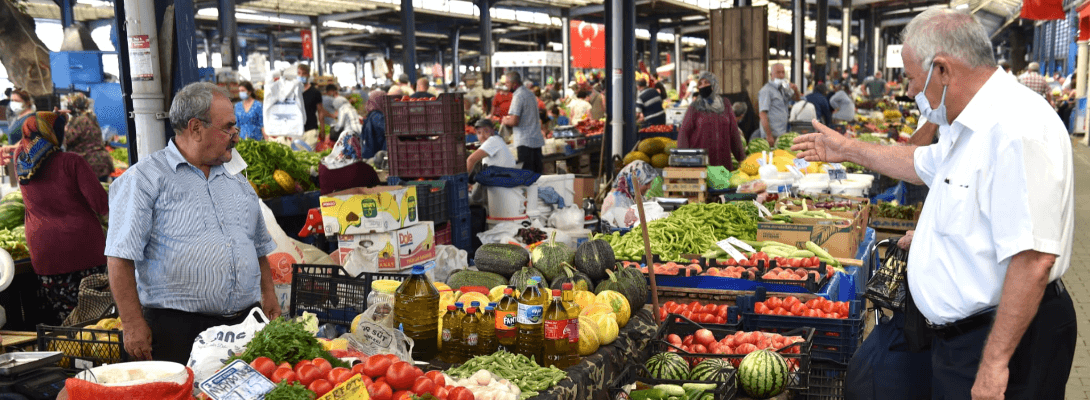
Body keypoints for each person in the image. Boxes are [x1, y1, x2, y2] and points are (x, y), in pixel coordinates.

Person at [792, 9, 1075, 399]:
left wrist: (993, 366)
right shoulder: (971, 124)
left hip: (1004, 341)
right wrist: (849, 149)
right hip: (963, 340)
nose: (908, 92)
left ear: (942, 70)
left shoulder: (1016, 129)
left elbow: (1033, 259)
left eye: (910, 78)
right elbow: (920, 163)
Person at [105, 82, 281, 363]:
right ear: (196, 128)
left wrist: (268, 294)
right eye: (228, 127)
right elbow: (119, 258)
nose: (236, 136)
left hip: (245, 326)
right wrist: (132, 323)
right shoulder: (145, 179)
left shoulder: (237, 179)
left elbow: (257, 244)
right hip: (177, 330)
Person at [9, 112, 109, 325]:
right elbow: (101, 204)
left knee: (66, 324)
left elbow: (19, 141)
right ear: (55, 134)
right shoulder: (72, 162)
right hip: (85, 250)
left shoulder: (21, 161)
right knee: (97, 321)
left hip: (45, 253)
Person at [678, 72, 745, 169]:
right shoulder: (694, 107)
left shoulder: (725, 104)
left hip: (724, 165)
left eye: (706, 82)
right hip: (702, 166)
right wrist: (683, 161)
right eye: (700, 84)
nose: (703, 86)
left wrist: (741, 158)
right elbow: (683, 134)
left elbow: (734, 132)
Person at [63, 93, 114, 180]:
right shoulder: (90, 116)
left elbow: (66, 140)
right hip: (102, 162)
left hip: (89, 165)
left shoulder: (78, 120)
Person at [501, 71, 545, 173]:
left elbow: (514, 121)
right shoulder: (530, 93)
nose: (506, 86)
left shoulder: (518, 96)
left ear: (514, 83)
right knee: (537, 176)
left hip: (525, 142)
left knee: (527, 177)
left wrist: (505, 120)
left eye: (507, 83)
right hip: (536, 141)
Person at [601, 160, 657, 229]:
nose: (649, 187)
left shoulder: (633, 196)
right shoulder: (614, 200)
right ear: (633, 181)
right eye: (646, 183)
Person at [758, 63, 801, 142]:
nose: (781, 75)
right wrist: (769, 135)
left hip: (782, 133)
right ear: (771, 75)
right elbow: (762, 114)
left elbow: (797, 99)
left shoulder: (782, 89)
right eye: (778, 72)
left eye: (783, 72)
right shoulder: (766, 90)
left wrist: (795, 90)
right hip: (772, 135)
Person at [297, 64, 323, 148]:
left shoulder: (315, 92)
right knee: (296, 157)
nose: (301, 75)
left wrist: (322, 129)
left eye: (304, 73)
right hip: (296, 131)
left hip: (311, 130)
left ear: (308, 75)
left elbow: (320, 111)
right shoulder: (293, 91)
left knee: (309, 157)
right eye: (299, 73)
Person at [359, 89, 387, 160]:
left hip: (371, 154)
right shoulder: (377, 116)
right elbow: (386, 130)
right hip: (376, 155)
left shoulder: (372, 115)